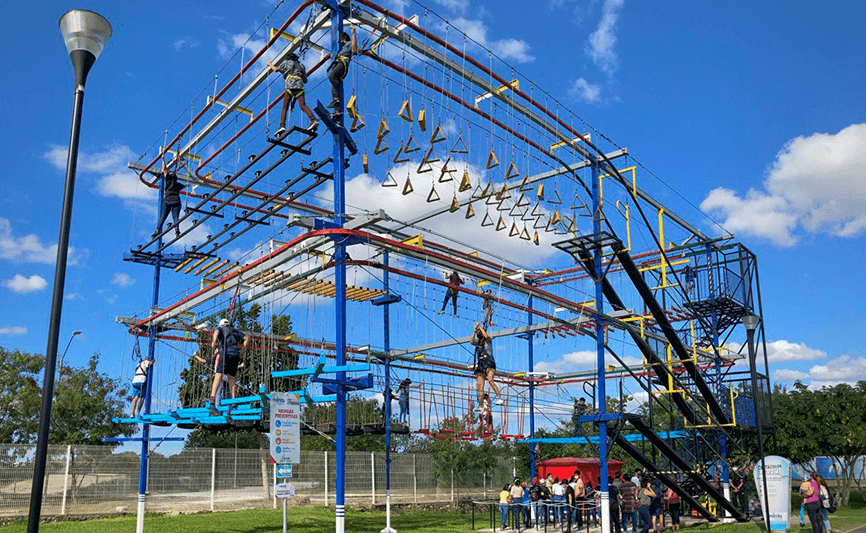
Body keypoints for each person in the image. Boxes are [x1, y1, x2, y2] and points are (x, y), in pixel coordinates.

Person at [267, 52, 318, 137]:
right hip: (300, 86)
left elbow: (276, 69)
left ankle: (281, 126)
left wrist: (269, 64)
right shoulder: (301, 65)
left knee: (285, 107)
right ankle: (313, 120)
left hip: (290, 86)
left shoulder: (286, 62)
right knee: (303, 106)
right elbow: (305, 80)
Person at [209, 318, 248, 406]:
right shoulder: (234, 331)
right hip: (235, 354)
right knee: (231, 377)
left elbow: (216, 332)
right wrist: (243, 350)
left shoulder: (220, 329)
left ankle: (212, 396)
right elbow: (246, 338)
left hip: (225, 353)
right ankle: (233, 399)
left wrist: (214, 341)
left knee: (218, 374)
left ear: (221, 325)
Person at [470, 323, 504, 407]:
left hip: (489, 363)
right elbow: (471, 341)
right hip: (481, 364)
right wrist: (474, 331)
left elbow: (485, 336)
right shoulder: (478, 342)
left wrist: (480, 327)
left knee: (490, 380)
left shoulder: (488, 340)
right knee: (480, 386)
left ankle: (499, 398)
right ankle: (481, 405)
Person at [326, 28, 358, 113]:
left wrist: (353, 34)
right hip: (337, 64)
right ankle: (337, 107)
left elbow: (354, 49)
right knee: (334, 82)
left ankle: (336, 98)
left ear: (343, 38)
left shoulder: (349, 44)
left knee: (331, 76)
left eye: (340, 39)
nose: (339, 41)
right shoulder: (341, 48)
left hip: (342, 63)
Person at [153, 163, 185, 238]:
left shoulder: (167, 182)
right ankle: (176, 228)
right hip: (176, 201)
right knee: (175, 216)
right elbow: (184, 186)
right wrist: (187, 185)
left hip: (167, 201)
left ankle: (157, 230)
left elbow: (164, 169)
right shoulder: (178, 184)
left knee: (162, 217)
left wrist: (163, 159)